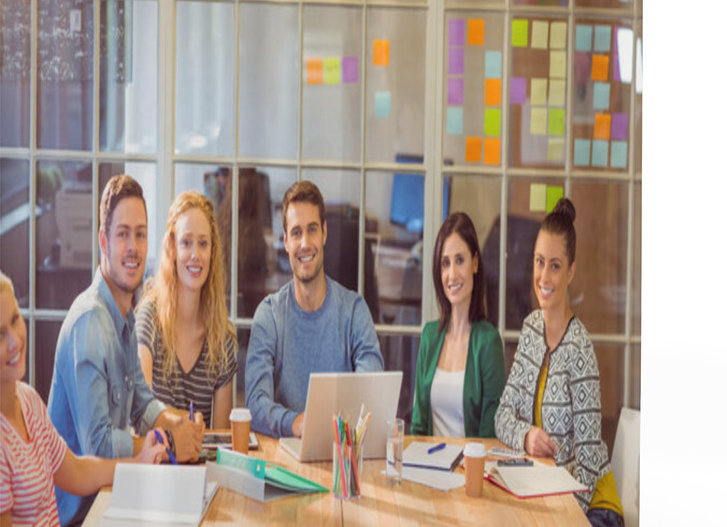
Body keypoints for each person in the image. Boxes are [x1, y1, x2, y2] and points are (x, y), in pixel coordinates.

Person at [47, 175, 204, 527]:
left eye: (140, 234)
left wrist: (179, 426)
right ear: (103, 241)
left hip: (111, 501)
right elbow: (99, 445)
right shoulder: (91, 322)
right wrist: (168, 444)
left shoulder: (124, 315)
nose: (133, 246)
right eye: (122, 234)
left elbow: (143, 404)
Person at [0, 271, 166, 527]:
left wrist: (139, 464)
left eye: (15, 320)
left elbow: (75, 470)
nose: (14, 340)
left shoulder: (28, 400)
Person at [494, 197, 624, 527]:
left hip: (594, 512)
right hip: (547, 498)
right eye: (539, 263)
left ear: (570, 272)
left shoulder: (580, 348)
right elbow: (502, 415)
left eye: (555, 266)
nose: (544, 277)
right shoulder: (532, 330)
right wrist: (527, 435)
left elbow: (584, 467)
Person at [245, 180, 384, 439]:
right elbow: (256, 402)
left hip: (340, 457)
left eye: (312, 230)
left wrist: (330, 425)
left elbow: (371, 385)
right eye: (296, 233)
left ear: (324, 234)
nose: (305, 243)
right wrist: (296, 423)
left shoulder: (354, 311)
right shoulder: (270, 316)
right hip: (285, 462)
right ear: (285, 241)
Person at [136, 191, 237, 429]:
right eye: (186, 242)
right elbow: (140, 411)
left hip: (199, 464)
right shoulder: (149, 317)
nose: (195, 255)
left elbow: (220, 441)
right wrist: (184, 421)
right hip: (154, 462)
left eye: (203, 244)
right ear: (172, 249)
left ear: (212, 252)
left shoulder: (223, 339)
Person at [411, 212, 505, 438]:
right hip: (429, 468)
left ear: (475, 263)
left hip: (470, 470)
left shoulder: (488, 342)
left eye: (459, 260)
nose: (451, 274)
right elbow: (417, 427)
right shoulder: (429, 337)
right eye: (445, 263)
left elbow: (490, 436)